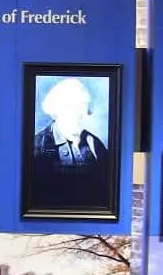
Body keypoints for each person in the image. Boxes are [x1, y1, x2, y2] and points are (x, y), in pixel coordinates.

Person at [31, 78, 109, 209]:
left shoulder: (94, 144)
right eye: (71, 107)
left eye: (83, 107)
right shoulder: (38, 144)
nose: (79, 114)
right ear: (56, 111)